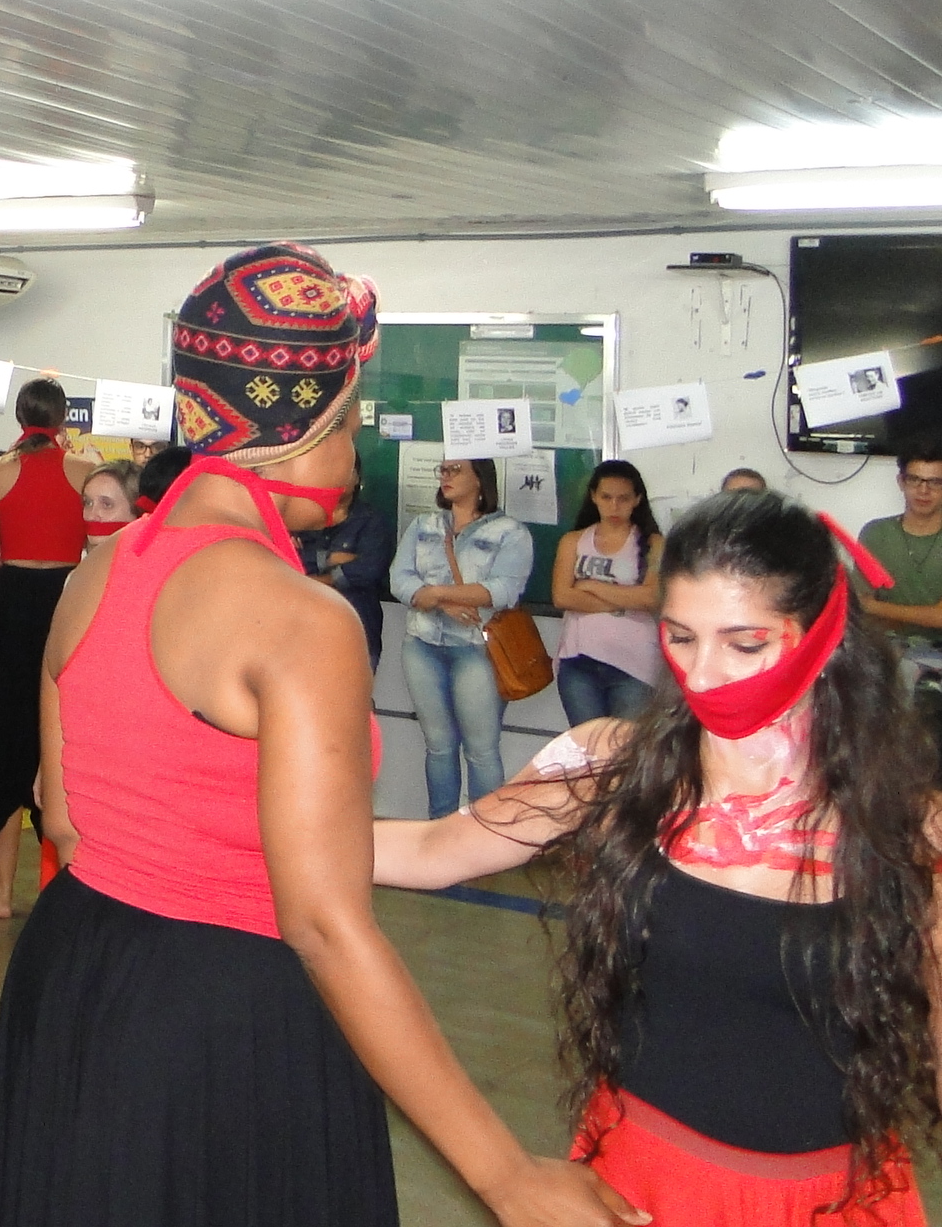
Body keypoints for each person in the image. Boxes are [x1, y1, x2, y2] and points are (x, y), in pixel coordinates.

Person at [0, 242, 633, 1227]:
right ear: (306, 425)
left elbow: (72, 821)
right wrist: (508, 1177)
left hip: (77, 977)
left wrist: (509, 817)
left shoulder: (98, 574)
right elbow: (322, 921)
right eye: (352, 417)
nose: (357, 445)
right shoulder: (301, 620)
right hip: (222, 1015)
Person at [376, 492, 937, 1224]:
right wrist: (247, 829)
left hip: (825, 1199)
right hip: (640, 1182)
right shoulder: (609, 764)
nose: (702, 675)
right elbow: (430, 850)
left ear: (824, 635)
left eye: (745, 644)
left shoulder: (905, 822)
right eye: (680, 637)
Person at [0, 377, 95, 917]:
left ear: (19, 417)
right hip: (65, 605)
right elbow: (99, 552)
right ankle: (61, 890)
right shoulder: (86, 471)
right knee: (61, 745)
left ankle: (0, 894)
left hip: (11, 612)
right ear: (63, 418)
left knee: (2, 751)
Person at [398, 458, 535, 815]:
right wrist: (443, 603)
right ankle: (441, 830)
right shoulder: (423, 525)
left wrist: (434, 594)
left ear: (480, 478)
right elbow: (400, 579)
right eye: (442, 469)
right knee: (439, 747)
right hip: (422, 645)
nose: (445, 476)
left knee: (481, 750)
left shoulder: (510, 532)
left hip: (478, 650)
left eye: (455, 470)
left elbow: (503, 590)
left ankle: (484, 833)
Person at [550, 460, 663, 724]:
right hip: (579, 662)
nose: (614, 506)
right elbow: (562, 596)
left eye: (623, 498)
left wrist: (590, 585)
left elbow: (651, 598)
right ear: (593, 497)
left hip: (634, 665)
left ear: (637, 500)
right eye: (606, 497)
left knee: (626, 746)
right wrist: (625, 599)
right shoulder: (573, 541)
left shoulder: (654, 543)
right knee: (587, 746)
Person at [859, 435, 942, 759]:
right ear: (901, 482)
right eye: (915, 480)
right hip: (887, 649)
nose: (923, 490)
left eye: (935, 482)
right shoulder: (876, 534)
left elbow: (939, 618)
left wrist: (877, 606)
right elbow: (859, 608)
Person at [295, 461, 395, 673]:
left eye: (347, 471)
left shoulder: (371, 521)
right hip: (304, 631)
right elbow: (286, 559)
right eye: (331, 469)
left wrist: (317, 579)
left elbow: (370, 569)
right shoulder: (300, 518)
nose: (338, 477)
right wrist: (330, 558)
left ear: (358, 478)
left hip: (358, 628)